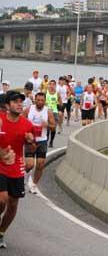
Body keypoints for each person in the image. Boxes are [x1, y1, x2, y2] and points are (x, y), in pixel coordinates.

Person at [0, 91, 35, 249]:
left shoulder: (27, 124)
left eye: (21, 101)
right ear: (7, 105)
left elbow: (32, 146)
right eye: (15, 101)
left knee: (13, 205)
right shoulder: (0, 120)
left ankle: (1, 233)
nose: (19, 104)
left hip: (16, 166)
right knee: (2, 199)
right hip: (0, 164)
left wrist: (30, 148)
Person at [23, 92, 56, 194]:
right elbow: (21, 122)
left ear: (44, 101)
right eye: (38, 100)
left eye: (42, 100)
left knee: (40, 164)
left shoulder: (48, 112)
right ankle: (22, 177)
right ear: (35, 100)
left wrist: (47, 125)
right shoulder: (28, 109)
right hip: (30, 140)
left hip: (42, 140)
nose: (40, 102)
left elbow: (53, 127)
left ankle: (33, 185)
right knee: (29, 165)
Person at [45, 80, 61, 147]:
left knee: (53, 128)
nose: (51, 85)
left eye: (53, 84)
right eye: (50, 84)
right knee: (48, 127)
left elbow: (61, 103)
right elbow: (41, 100)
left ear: (55, 85)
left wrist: (58, 104)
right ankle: (47, 139)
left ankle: (51, 141)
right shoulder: (46, 92)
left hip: (54, 112)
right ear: (48, 85)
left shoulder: (57, 93)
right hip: (47, 111)